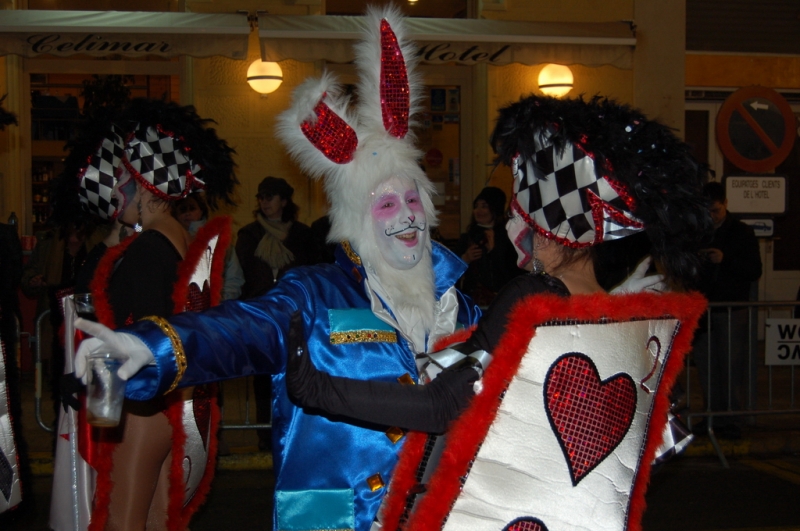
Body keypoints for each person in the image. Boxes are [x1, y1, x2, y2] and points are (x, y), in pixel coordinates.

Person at [73, 8, 482, 531]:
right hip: (337, 520)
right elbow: (239, 330)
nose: (405, 216)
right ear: (356, 221)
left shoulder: (462, 305)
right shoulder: (314, 295)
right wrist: (148, 347)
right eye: (385, 204)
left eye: (412, 199)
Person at [285, 94, 712, 531]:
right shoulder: (623, 315)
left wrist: (315, 388)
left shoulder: (531, 297)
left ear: (544, 232)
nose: (511, 230)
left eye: (516, 214)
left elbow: (441, 406)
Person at [48, 98, 238, 531]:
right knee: (155, 521)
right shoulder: (173, 241)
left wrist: (84, 378)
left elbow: (140, 331)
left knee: (122, 523)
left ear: (144, 185)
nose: (115, 194)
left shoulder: (148, 250)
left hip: (143, 406)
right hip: (168, 404)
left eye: (121, 182)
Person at [235, 176, 320, 451]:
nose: (264, 202)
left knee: (295, 374)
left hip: (293, 316)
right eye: (261, 197)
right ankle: (264, 438)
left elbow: (312, 273)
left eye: (270, 197)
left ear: (284, 201)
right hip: (259, 314)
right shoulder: (249, 235)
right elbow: (241, 275)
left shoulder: (303, 235)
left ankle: (294, 436)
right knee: (261, 378)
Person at [692, 181, 762, 440]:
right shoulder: (700, 233)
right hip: (706, 307)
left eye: (716, 211)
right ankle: (713, 414)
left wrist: (725, 259)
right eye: (708, 212)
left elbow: (754, 270)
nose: (712, 217)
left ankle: (731, 418)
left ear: (726, 205)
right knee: (708, 365)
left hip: (731, 308)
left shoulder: (741, 233)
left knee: (731, 366)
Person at [455, 186, 522, 305]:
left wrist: (494, 251)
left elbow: (513, 275)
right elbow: (450, 273)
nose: (478, 211)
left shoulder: (508, 237)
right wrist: (465, 259)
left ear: (494, 209)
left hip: (501, 301)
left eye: (484, 206)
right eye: (476, 207)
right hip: (471, 302)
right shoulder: (467, 238)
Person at [173, 192, 245, 301]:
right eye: (183, 210)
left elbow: (234, 278)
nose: (188, 214)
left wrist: (220, 300)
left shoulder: (217, 240)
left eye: (192, 209)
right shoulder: (171, 240)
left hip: (215, 307)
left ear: (201, 211)